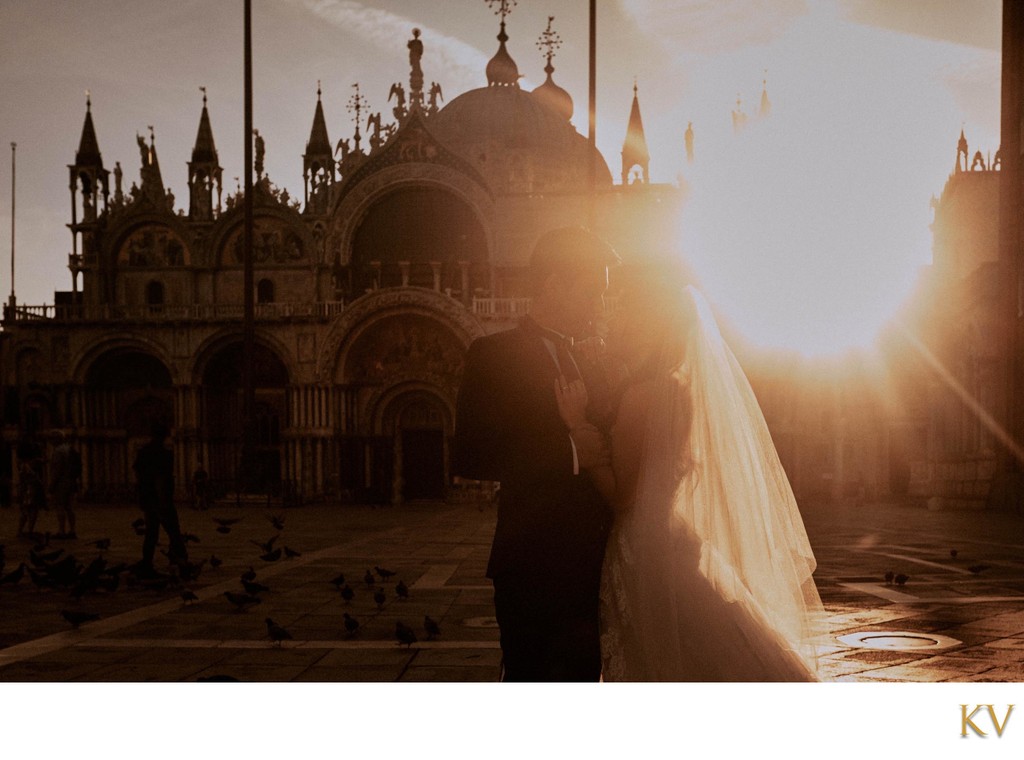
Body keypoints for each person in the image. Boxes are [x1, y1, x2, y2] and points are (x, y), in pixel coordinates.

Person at [554, 269, 826, 681]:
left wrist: (578, 430)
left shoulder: (640, 396)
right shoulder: (678, 388)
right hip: (671, 534)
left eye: (623, 307)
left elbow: (622, 494)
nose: (612, 314)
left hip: (641, 544)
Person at [453, 226, 620, 681]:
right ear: (554, 284)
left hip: (594, 565)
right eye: (592, 291)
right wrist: (567, 451)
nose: (599, 306)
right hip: (531, 563)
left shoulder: (593, 359)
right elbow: (470, 453)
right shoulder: (493, 354)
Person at [133, 423, 188, 576]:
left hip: (148, 498)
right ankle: (181, 561)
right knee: (173, 531)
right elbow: (161, 479)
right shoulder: (165, 454)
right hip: (161, 499)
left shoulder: (143, 452)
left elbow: (138, 474)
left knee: (151, 533)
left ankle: (147, 562)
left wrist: (142, 494)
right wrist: (163, 500)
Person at [49, 431, 81, 539]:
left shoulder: (58, 451)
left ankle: (61, 531)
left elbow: (57, 470)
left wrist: (52, 484)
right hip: (72, 482)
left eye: (52, 439)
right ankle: (72, 530)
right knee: (70, 507)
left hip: (61, 483)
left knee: (60, 507)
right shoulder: (69, 449)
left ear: (57, 439)